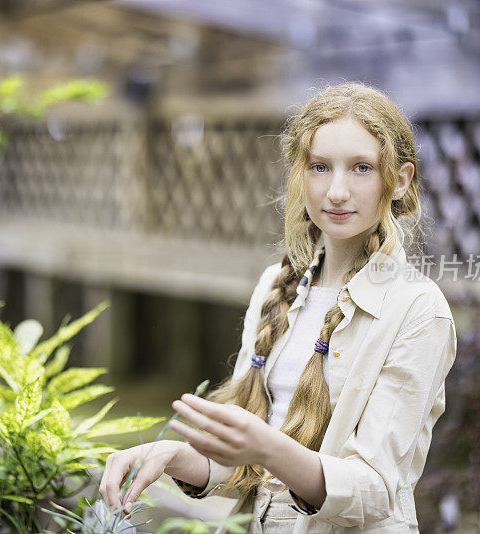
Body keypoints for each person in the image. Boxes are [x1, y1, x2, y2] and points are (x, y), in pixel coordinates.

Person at [100, 81, 457, 533]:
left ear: (400, 179)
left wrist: (267, 447)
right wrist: (174, 456)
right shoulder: (276, 286)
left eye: (362, 168)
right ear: (299, 174)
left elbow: (373, 492)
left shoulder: (419, 310)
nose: (337, 191)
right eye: (320, 167)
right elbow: (249, 470)